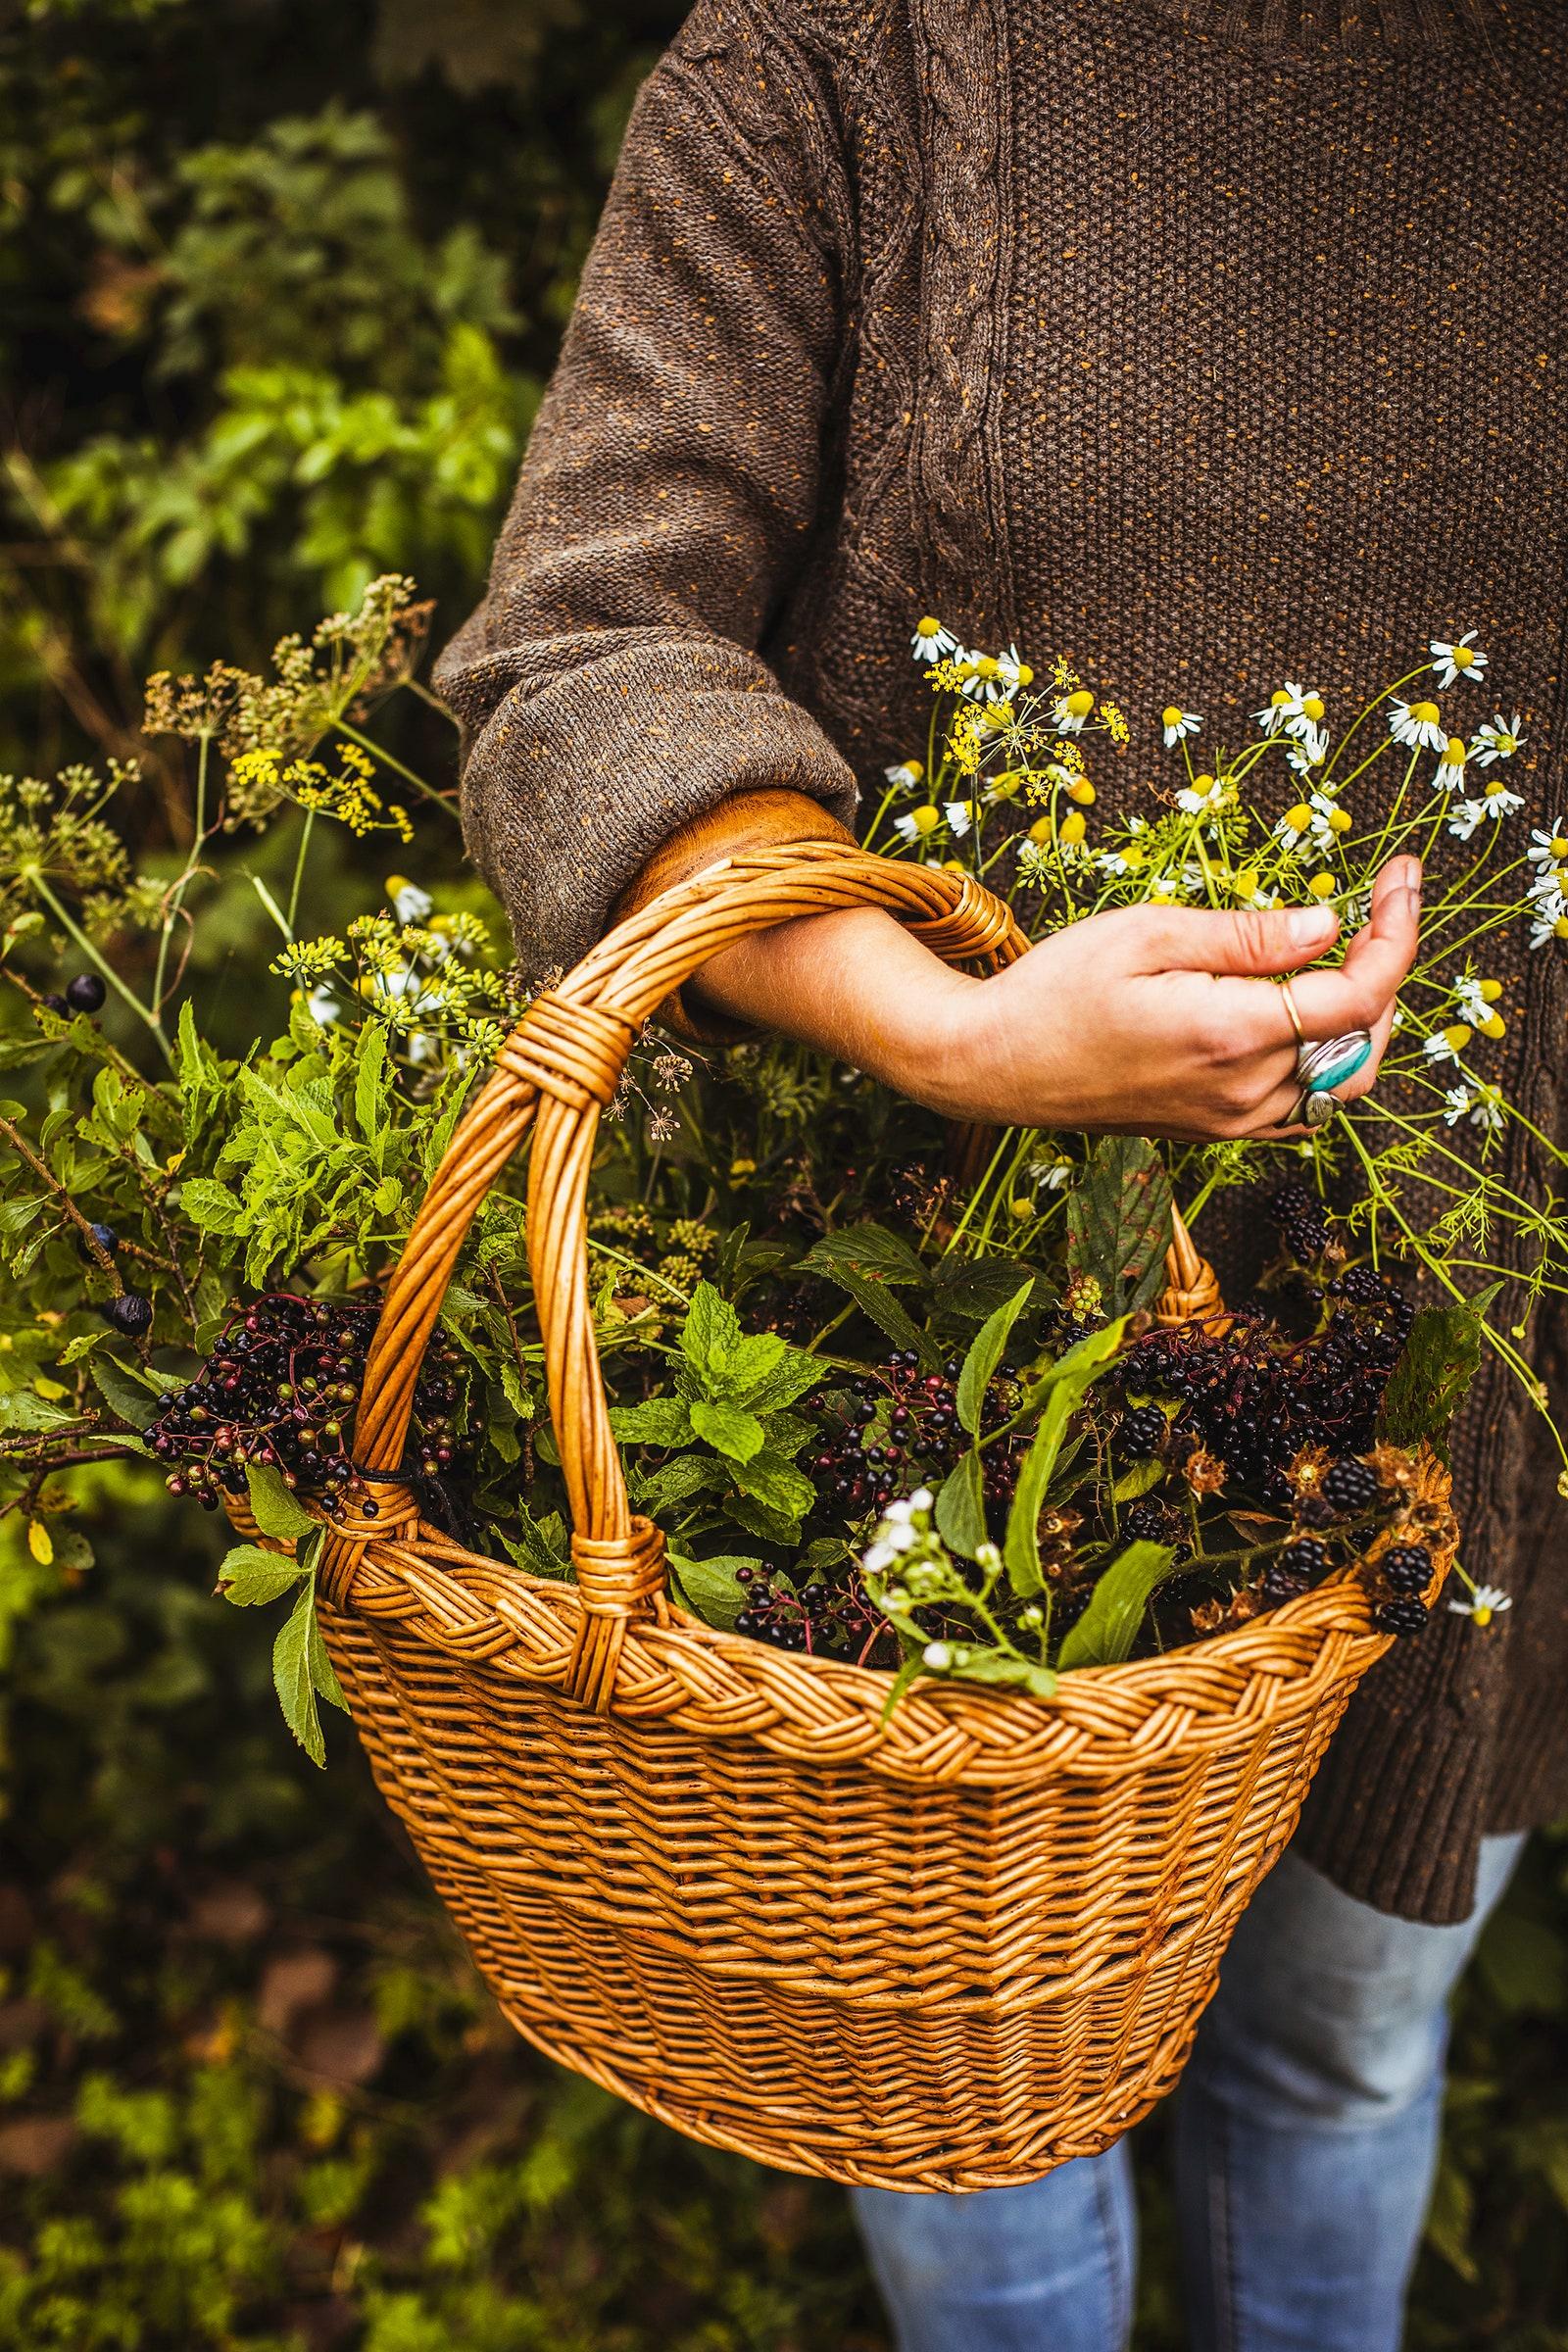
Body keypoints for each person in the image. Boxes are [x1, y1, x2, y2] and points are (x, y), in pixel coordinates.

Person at [433, 1, 1567, 2342]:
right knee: (974, 2088)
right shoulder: (847, 66)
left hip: (1479, 1332)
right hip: (943, 1339)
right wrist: (957, 1033)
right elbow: (583, 647)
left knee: (1348, 2035)